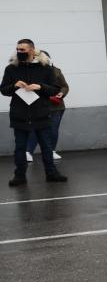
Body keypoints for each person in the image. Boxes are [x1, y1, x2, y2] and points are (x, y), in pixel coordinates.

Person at [2, 39, 68, 186]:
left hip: (41, 113)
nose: (19, 52)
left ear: (32, 50)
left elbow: (55, 89)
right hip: (19, 114)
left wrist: (40, 86)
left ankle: (52, 173)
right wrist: (14, 86)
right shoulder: (11, 69)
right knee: (20, 147)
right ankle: (19, 176)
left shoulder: (45, 69)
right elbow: (3, 90)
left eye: (23, 50)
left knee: (46, 146)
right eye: (18, 49)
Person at [24, 51, 67, 163]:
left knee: (53, 130)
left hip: (56, 107)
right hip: (38, 106)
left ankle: (51, 151)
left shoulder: (56, 71)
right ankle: (28, 152)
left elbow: (64, 87)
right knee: (35, 129)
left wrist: (61, 93)